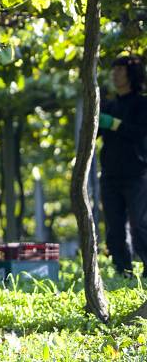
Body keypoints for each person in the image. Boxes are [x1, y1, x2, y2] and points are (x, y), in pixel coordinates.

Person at [99, 54, 147, 276]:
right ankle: (123, 271)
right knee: (115, 229)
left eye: (120, 69)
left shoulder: (141, 104)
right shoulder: (109, 105)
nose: (115, 73)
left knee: (139, 225)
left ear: (131, 74)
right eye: (114, 69)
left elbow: (139, 133)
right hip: (110, 174)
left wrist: (116, 125)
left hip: (136, 174)